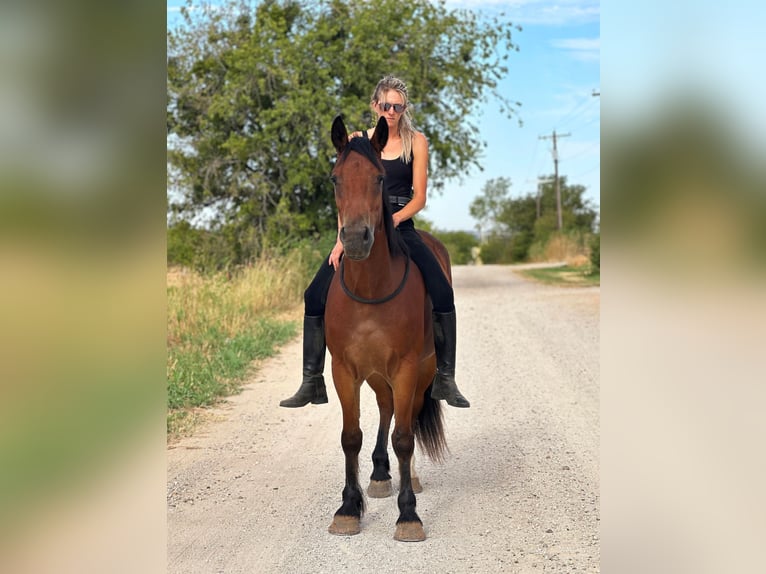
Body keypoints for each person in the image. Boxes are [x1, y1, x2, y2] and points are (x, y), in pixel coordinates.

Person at [280, 75, 470, 409]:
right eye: (386, 105)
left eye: (398, 106)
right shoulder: (358, 141)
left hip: (400, 224)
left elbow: (420, 197)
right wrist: (341, 240)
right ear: (374, 105)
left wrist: (394, 220)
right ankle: (311, 380)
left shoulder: (417, 142)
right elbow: (349, 192)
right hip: (361, 225)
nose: (392, 111)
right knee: (314, 294)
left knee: (442, 290)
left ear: (404, 108)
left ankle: (446, 376)